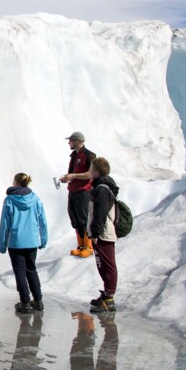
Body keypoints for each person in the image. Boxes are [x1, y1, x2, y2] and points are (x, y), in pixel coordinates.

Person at [0, 172, 48, 314]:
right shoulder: (36, 199)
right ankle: (38, 300)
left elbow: (5, 224)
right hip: (32, 241)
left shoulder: (9, 200)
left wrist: (2, 244)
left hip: (16, 242)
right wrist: (43, 239)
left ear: (16, 183)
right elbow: (42, 221)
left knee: (20, 271)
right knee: (31, 269)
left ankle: (25, 302)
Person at [87, 157, 118, 313]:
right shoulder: (99, 187)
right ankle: (106, 294)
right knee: (102, 264)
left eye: (91, 169)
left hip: (103, 234)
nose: (89, 172)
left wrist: (96, 232)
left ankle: (109, 298)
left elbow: (100, 213)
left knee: (108, 264)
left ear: (97, 172)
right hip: (100, 233)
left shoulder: (102, 189)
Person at [59, 131, 96, 258]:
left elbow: (91, 174)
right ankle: (80, 246)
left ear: (76, 141)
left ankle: (89, 247)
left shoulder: (89, 155)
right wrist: (68, 178)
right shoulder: (74, 155)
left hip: (83, 191)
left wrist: (73, 176)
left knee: (84, 218)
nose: (69, 143)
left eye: (70, 141)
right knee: (75, 217)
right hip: (73, 190)